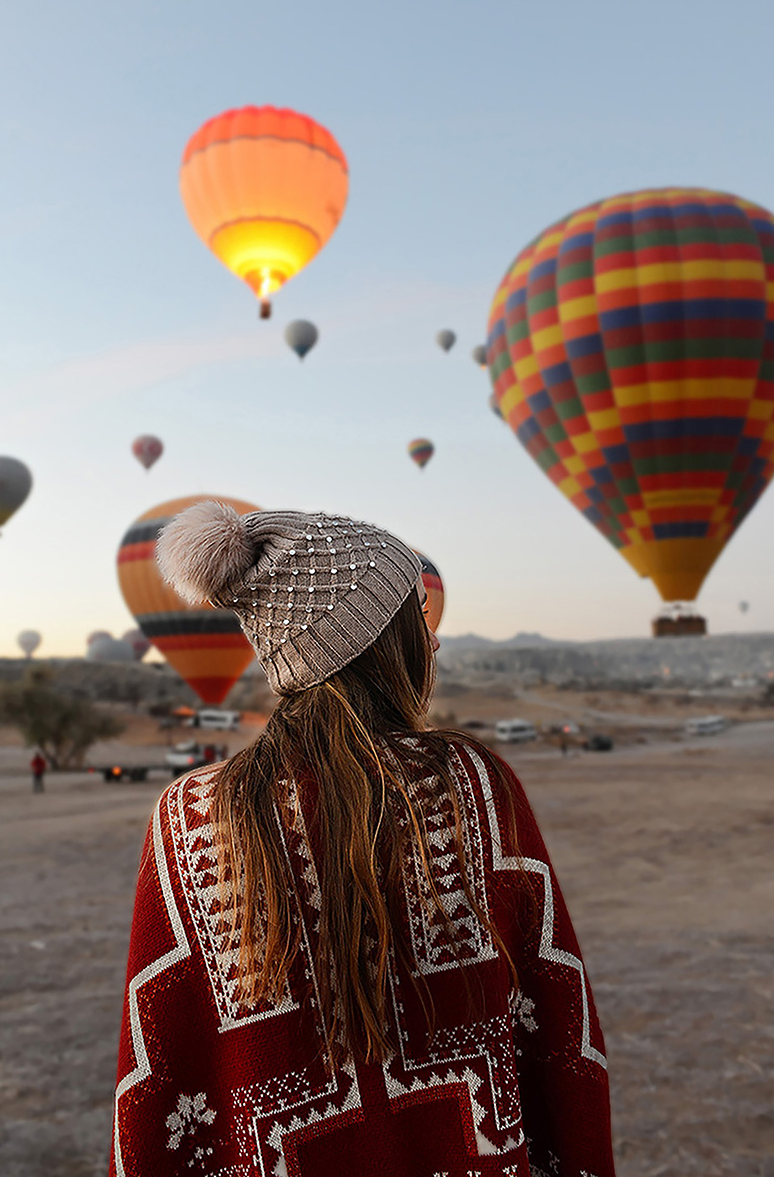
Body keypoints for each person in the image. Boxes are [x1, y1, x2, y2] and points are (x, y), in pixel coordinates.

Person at [110, 504, 615, 1177]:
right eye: (419, 620)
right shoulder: (472, 783)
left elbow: (160, 1076)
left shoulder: (188, 816)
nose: (433, 645)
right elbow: (557, 1030)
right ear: (376, 639)